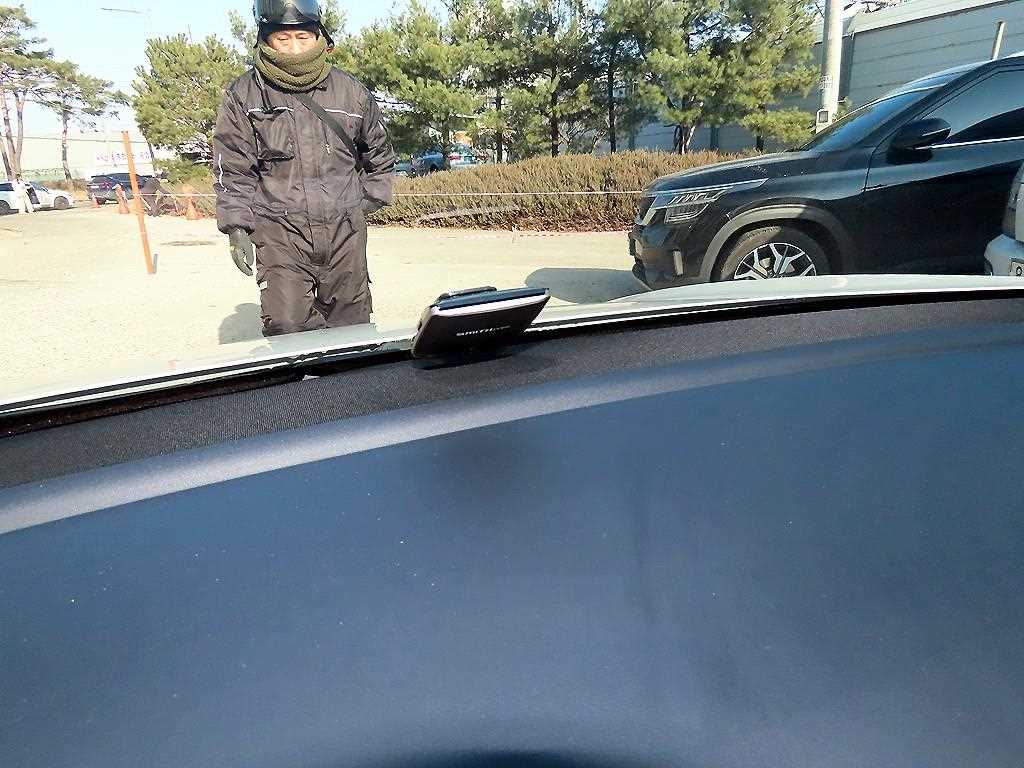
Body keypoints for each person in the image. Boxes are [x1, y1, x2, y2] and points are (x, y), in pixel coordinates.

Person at [213, 0, 395, 336]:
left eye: (303, 37)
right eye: (283, 39)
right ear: (265, 38)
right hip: (280, 233)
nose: (294, 49)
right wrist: (236, 226)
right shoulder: (244, 95)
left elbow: (380, 156)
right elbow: (233, 169)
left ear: (318, 36)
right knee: (287, 325)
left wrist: (363, 203)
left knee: (352, 327)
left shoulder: (352, 93)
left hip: (345, 234)